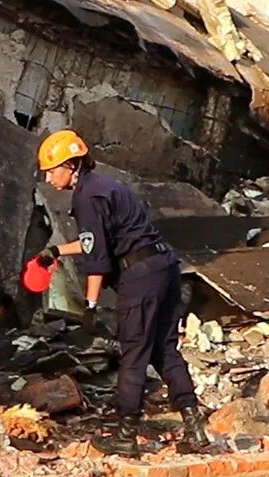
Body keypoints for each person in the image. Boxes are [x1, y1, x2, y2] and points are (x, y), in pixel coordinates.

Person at [33, 129, 210, 457]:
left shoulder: (86, 197)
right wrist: (56, 252)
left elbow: (98, 261)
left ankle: (126, 435)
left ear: (71, 165)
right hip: (166, 267)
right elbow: (95, 242)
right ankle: (195, 425)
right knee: (165, 350)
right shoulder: (106, 186)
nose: (47, 176)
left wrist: (90, 305)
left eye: (51, 169)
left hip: (140, 277)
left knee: (134, 354)